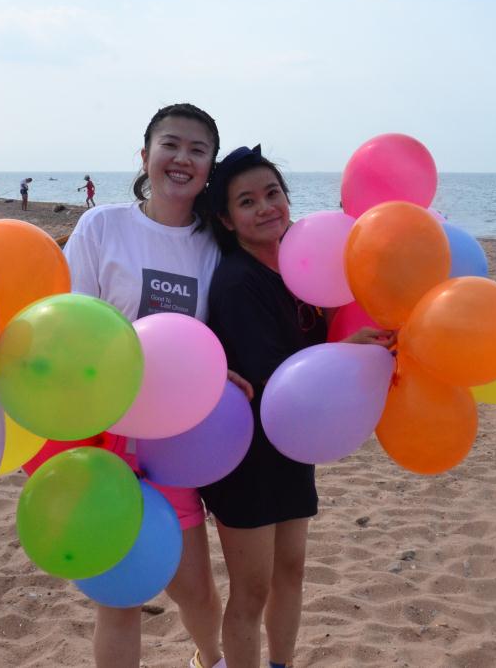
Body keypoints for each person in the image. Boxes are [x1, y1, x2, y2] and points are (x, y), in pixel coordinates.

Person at [200, 146, 394, 668]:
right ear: (227, 219)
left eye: (273, 193)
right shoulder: (237, 280)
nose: (266, 207)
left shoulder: (303, 265)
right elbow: (270, 375)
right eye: (247, 201)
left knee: (292, 572)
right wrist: (344, 352)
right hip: (245, 453)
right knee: (252, 590)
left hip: (293, 445)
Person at [63, 104, 230, 668]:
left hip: (175, 444)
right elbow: (71, 325)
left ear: (209, 168)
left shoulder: (215, 245)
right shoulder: (102, 226)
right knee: (120, 598)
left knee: (196, 590)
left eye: (197, 150)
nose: (182, 159)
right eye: (170, 144)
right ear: (145, 156)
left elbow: (222, 335)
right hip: (104, 434)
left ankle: (210, 659)